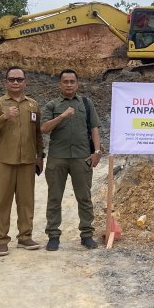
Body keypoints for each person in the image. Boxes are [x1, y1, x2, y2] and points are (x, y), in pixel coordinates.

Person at [40, 69, 105, 251]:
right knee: (54, 198)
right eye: (65, 81)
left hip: (81, 158)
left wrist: (97, 152)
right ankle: (53, 235)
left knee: (84, 198)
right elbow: (43, 128)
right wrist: (61, 116)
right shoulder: (52, 105)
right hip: (57, 158)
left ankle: (87, 234)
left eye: (72, 81)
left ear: (77, 84)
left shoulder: (86, 103)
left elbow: (94, 128)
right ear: (60, 84)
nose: (69, 84)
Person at [0, 66, 45, 256]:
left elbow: (37, 134)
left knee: (26, 201)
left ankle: (25, 237)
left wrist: (40, 155)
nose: (16, 82)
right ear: (6, 82)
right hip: (4, 160)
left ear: (25, 82)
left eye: (19, 79)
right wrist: (4, 117)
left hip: (27, 160)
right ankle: (2, 239)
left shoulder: (33, 105)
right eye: (12, 79)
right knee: (3, 201)